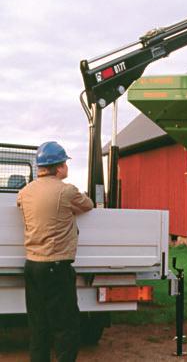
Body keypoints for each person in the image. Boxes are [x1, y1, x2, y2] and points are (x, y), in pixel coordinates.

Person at [17, 141, 94, 362]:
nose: (67, 168)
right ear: (58, 166)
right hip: (56, 267)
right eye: (66, 163)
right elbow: (87, 205)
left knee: (38, 326)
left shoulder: (24, 192)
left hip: (32, 266)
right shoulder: (66, 191)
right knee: (65, 327)